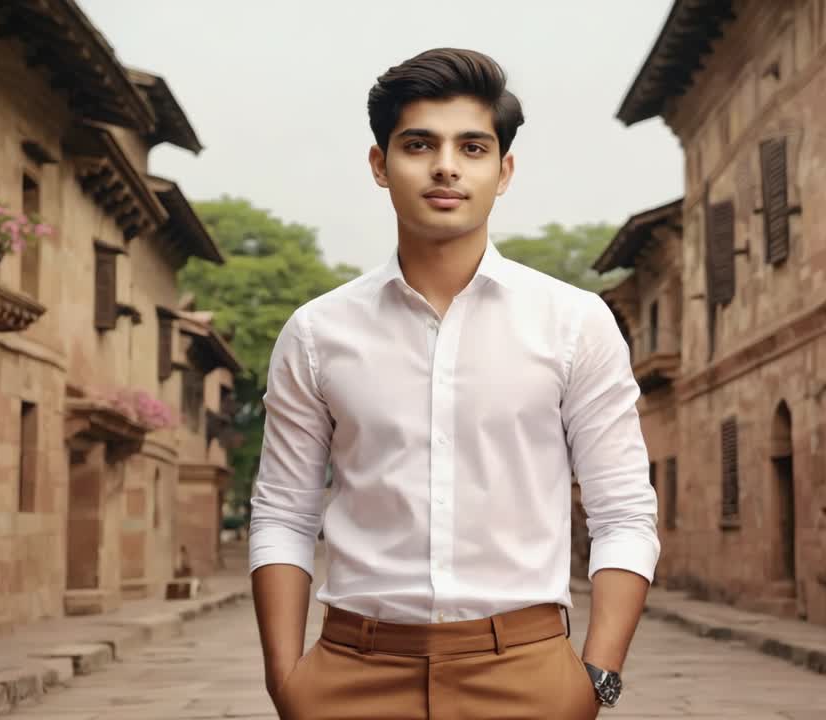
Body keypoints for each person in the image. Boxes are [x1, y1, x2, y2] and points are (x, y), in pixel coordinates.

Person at [248, 47, 660, 719]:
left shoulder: (574, 323)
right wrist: (285, 682)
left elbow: (622, 513)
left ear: (504, 171)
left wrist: (596, 679)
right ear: (380, 165)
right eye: (419, 145)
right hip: (351, 674)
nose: (446, 166)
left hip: (529, 677)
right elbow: (284, 514)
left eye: (472, 147)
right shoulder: (317, 333)